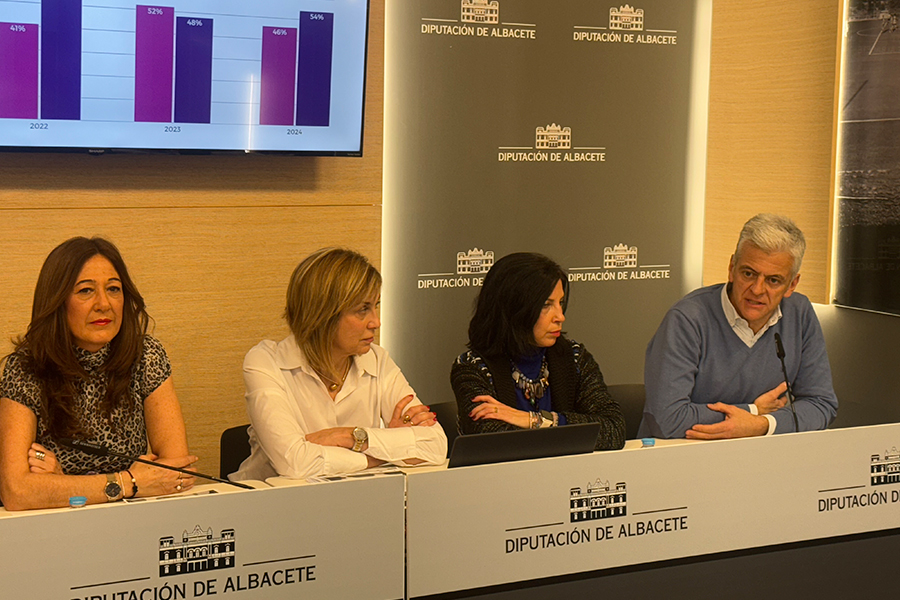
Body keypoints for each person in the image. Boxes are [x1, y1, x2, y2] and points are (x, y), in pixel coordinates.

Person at [0, 237, 197, 511]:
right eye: (86, 291)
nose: (104, 304)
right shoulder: (26, 368)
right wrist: (129, 482)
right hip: (56, 527)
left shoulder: (146, 356)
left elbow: (175, 475)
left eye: (114, 289)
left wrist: (62, 485)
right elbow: (17, 492)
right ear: (57, 301)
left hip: (132, 519)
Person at [232, 248, 447, 480]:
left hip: (353, 497)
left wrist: (349, 437)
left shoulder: (378, 360)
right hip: (269, 499)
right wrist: (386, 452)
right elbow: (295, 464)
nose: (376, 322)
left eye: (375, 306)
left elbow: (435, 446)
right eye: (362, 309)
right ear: (322, 314)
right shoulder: (265, 362)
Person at [639, 214, 838, 439]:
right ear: (732, 268)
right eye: (749, 274)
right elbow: (667, 420)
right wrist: (752, 410)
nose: (757, 289)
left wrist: (761, 424)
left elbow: (821, 404)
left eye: (773, 280)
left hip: (761, 454)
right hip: (682, 453)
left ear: (792, 284)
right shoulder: (687, 318)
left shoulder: (799, 313)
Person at [450, 252, 625, 450]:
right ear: (514, 308)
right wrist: (565, 428)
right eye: (546, 305)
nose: (560, 316)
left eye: (560, 303)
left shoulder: (575, 357)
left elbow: (613, 430)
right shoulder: (472, 367)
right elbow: (494, 443)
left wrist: (533, 420)